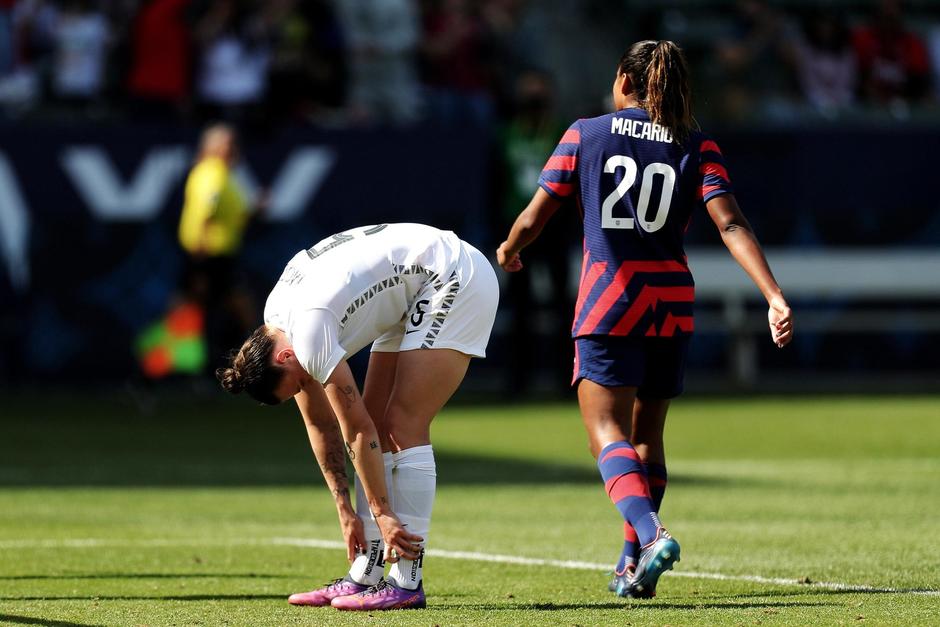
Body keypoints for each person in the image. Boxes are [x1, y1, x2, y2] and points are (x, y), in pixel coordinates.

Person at [496, 40, 793, 599]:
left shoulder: (585, 133)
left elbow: (535, 216)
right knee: (648, 438)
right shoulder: (696, 143)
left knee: (605, 434)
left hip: (610, 300)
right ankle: (630, 563)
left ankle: (652, 535)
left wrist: (510, 249)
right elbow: (731, 224)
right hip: (670, 304)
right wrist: (773, 295)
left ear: (625, 82)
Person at [217, 223, 498, 610]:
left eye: (299, 383)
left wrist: (383, 513)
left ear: (284, 357)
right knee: (380, 427)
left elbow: (356, 431)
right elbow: (319, 422)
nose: (305, 387)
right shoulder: (278, 323)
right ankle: (366, 574)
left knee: (402, 426)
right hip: (412, 289)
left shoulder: (307, 334)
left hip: (451, 274)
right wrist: (344, 509)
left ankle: (407, 583)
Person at [178, 122, 255, 374]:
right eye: (226, 144)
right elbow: (205, 213)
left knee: (207, 313)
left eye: (233, 143)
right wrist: (199, 261)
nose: (232, 149)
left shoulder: (222, 173)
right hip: (208, 257)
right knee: (192, 315)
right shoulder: (212, 173)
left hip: (219, 258)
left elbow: (230, 214)